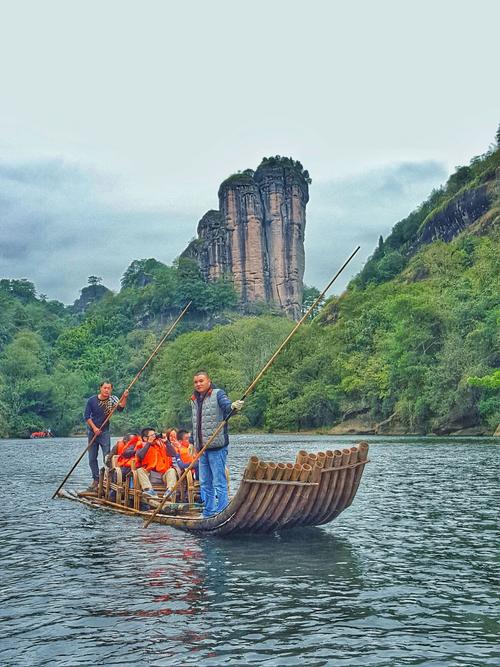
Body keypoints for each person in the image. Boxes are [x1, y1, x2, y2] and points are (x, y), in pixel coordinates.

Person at [190, 371, 244, 517]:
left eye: (201, 381)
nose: (198, 384)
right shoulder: (194, 399)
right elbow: (196, 423)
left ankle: (221, 511)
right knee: (205, 482)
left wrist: (234, 407)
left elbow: (227, 409)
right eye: (196, 382)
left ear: (209, 381)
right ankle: (208, 512)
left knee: (219, 481)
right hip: (202, 449)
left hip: (217, 447)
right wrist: (192, 442)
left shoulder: (218, 394)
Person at [84, 381, 129, 490]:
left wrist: (125, 397)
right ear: (100, 388)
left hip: (104, 432)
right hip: (92, 432)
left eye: (109, 388)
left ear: (111, 389)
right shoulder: (92, 400)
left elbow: (121, 408)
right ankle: (95, 479)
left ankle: (108, 479)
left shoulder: (113, 399)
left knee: (107, 457)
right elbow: (86, 417)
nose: (107, 390)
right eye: (105, 388)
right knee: (92, 458)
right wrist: (94, 428)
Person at [134, 428, 177, 501]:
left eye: (155, 435)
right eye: (152, 435)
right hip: (150, 476)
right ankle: (149, 491)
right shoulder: (141, 444)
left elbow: (173, 454)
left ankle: (170, 491)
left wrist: (166, 442)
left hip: (163, 475)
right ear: (145, 438)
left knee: (172, 471)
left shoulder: (161, 444)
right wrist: (148, 443)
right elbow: (140, 455)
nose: (155, 437)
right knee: (140, 470)